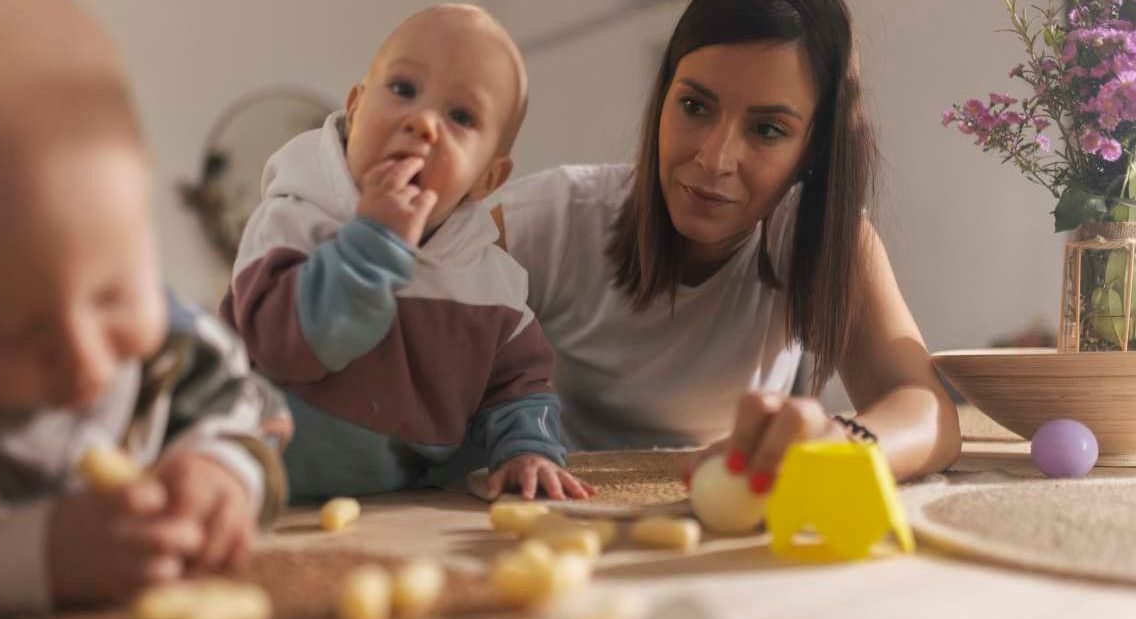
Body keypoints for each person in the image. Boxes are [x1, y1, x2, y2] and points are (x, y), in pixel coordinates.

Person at [491, 0, 961, 490]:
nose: (715, 159)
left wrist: (845, 443)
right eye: (694, 106)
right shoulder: (544, 220)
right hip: (559, 506)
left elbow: (929, 414)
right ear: (662, 96)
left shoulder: (823, 236)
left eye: (767, 130)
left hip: (728, 510)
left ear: (813, 149)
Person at [0, 0, 291, 617]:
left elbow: (253, 413)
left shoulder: (178, 344)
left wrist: (222, 469)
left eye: (113, 294)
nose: (86, 362)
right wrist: (31, 555)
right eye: (16, 331)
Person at [223, 4, 593, 502]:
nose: (423, 122)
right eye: (403, 89)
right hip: (256, 480)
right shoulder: (292, 220)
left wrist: (528, 448)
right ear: (354, 111)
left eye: (461, 116)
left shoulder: (492, 286)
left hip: (396, 505)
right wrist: (375, 240)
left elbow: (520, 387)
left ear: (487, 179)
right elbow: (283, 351)